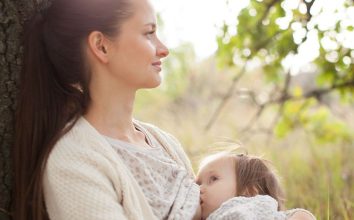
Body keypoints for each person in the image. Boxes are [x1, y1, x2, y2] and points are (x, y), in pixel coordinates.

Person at [12, 0, 316, 219]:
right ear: (101, 47)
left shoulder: (161, 142)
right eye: (148, 33)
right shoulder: (73, 162)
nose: (163, 48)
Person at [195, 151, 316, 220]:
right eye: (198, 183)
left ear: (249, 192)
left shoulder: (254, 207)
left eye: (213, 179)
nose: (199, 189)